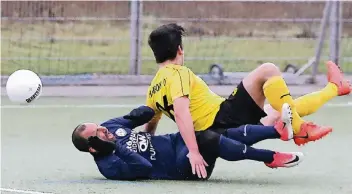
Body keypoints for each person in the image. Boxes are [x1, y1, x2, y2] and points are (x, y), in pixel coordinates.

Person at [145, 23, 350, 178]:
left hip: (221, 132)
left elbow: (149, 127)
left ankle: (334, 88)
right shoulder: (178, 73)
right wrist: (194, 151)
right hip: (225, 117)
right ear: (180, 49)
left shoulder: (153, 88)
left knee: (282, 110)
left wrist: (147, 151)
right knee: (268, 71)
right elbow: (182, 113)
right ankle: (300, 129)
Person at [71, 104, 303, 181]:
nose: (104, 129)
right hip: (182, 167)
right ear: (93, 148)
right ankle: (270, 157)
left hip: (176, 141)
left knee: (213, 131)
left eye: (99, 126)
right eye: (98, 133)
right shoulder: (109, 166)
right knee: (206, 139)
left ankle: (278, 131)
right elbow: (144, 168)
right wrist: (117, 148)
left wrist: (141, 113)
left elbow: (142, 115)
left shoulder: (110, 128)